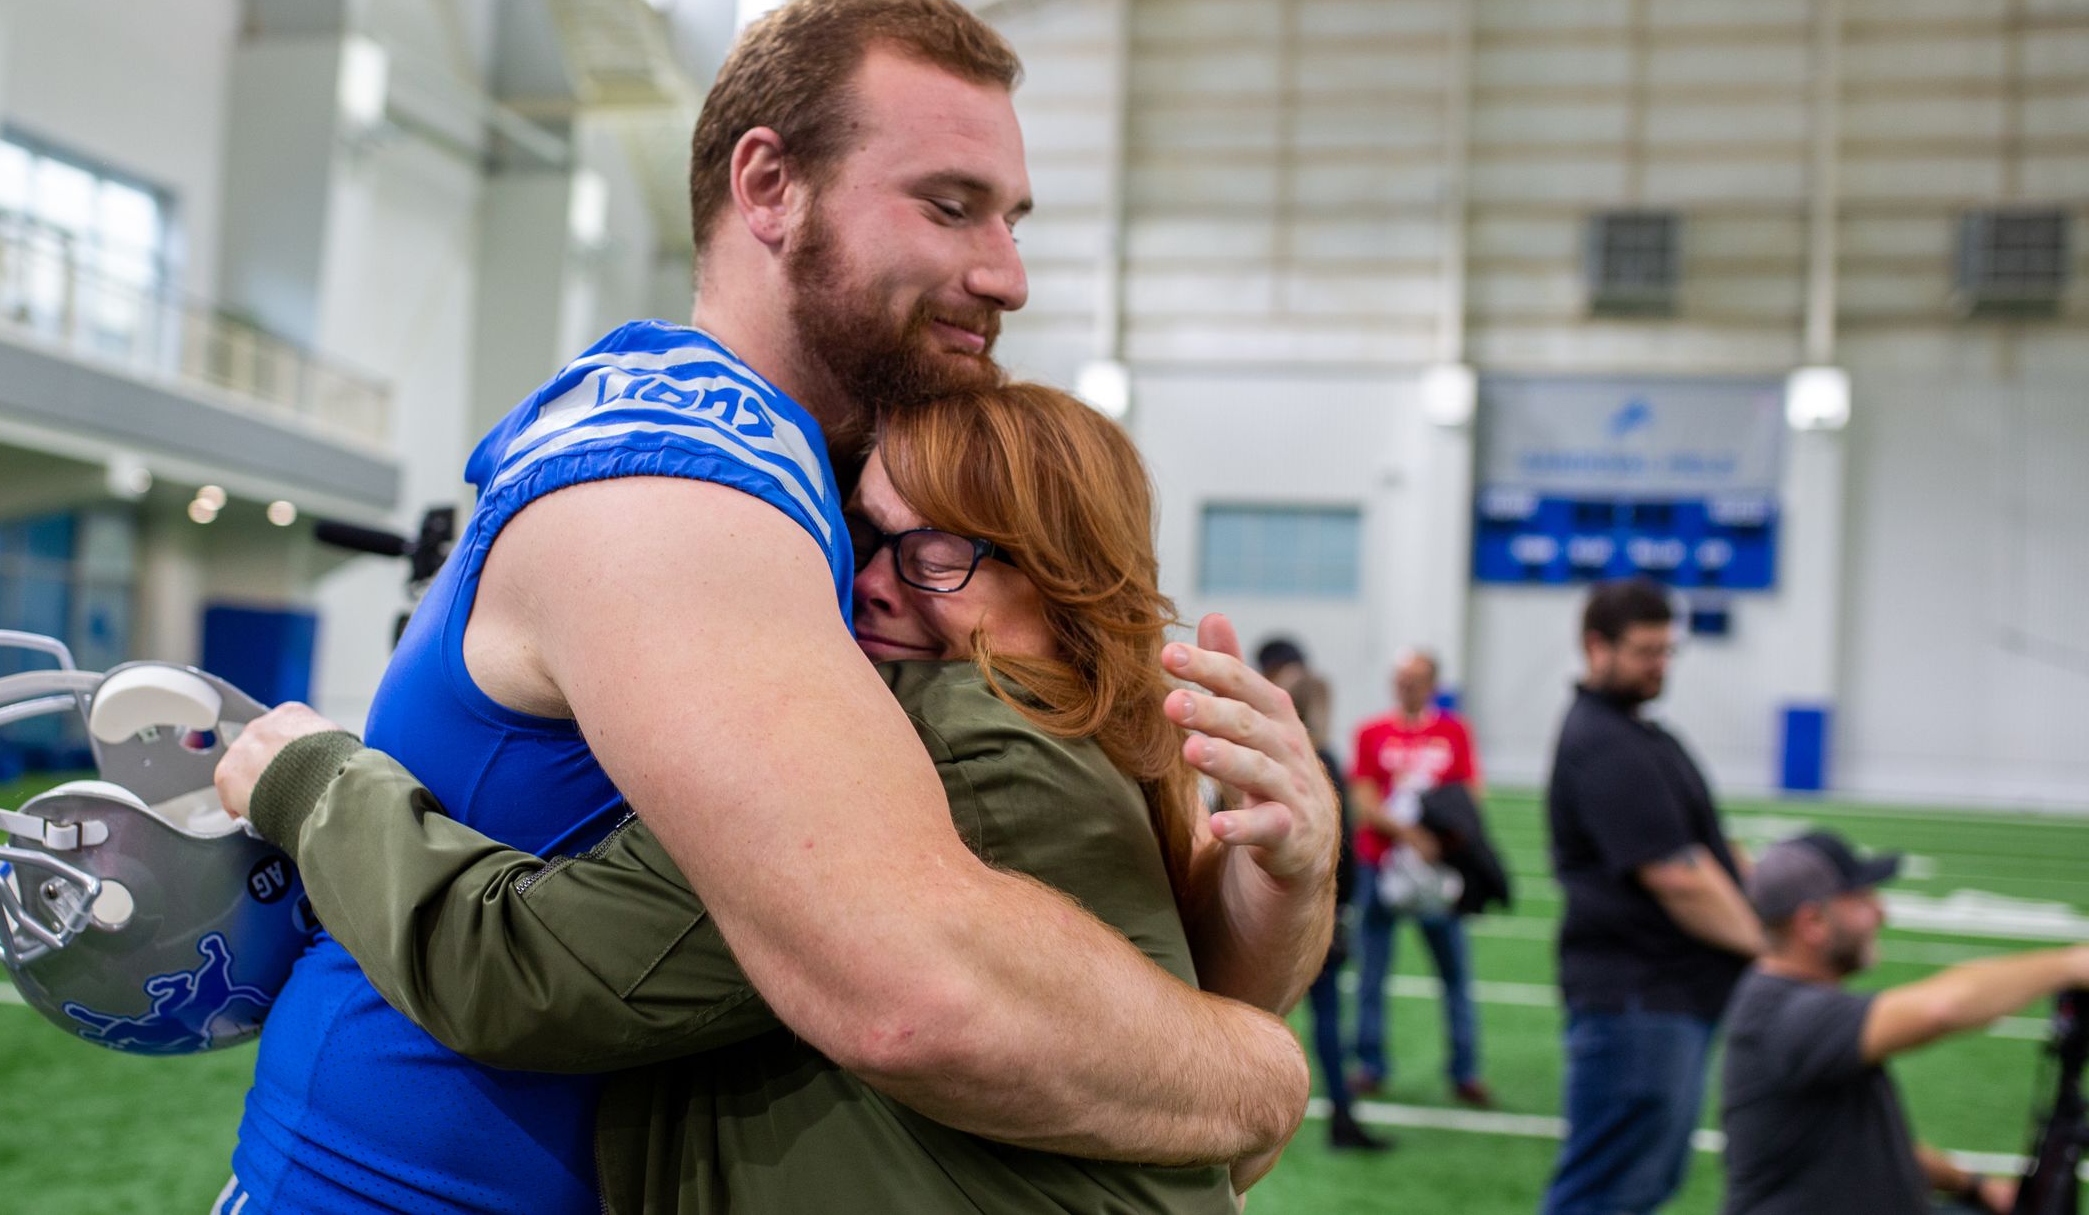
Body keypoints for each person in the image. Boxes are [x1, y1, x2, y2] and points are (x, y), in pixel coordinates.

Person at [216, 0, 1337, 1213]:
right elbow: (913, 990)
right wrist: (1259, 1081)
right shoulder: (680, 493)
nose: (1007, 274)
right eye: (949, 207)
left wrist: (1284, 877)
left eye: (1012, 218)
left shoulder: (848, 497)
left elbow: (1118, 979)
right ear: (767, 187)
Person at [224, 383, 1319, 1212]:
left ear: (1069, 575)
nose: (874, 581)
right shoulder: (1086, 747)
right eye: (865, 538)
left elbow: (517, 971)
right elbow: (1186, 1030)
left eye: (936, 552)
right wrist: (1285, 917)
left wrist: (309, 775)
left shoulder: (946, 737)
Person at [1541, 578, 1764, 1215]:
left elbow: (1705, 848)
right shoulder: (1603, 742)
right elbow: (1676, 874)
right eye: (1644, 651)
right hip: (1637, 1001)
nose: (1659, 666)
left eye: (1667, 651)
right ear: (1595, 646)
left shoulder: (1638, 734)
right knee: (1604, 1193)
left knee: (1641, 1185)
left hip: (1665, 1000)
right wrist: (1765, 946)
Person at [1719, 830, 2085, 1215]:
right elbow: (1943, 1008)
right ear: (1812, 922)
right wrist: (2070, 965)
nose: (1882, 912)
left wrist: (1974, 1186)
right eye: (1862, 900)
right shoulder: (1787, 1016)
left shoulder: (1797, 1001)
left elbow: (1866, 1147)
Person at [1256, 637, 1389, 1152]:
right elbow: (1344, 850)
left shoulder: (1269, 756)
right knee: (1328, 1017)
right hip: (1316, 909)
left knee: (1255, 1018)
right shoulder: (1323, 758)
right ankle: (1341, 1115)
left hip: (1268, 907)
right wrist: (1346, 907)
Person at [1346, 649, 1490, 1109]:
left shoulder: (1454, 732)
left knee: (1455, 973)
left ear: (1433, 684)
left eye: (1416, 679)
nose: (1406, 686)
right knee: (1371, 970)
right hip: (1381, 864)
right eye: (1401, 678)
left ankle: (1465, 1069)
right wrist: (1409, 833)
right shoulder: (1371, 732)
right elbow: (1364, 799)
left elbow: (1471, 795)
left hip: (1435, 870)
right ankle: (1370, 1064)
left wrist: (1437, 840)